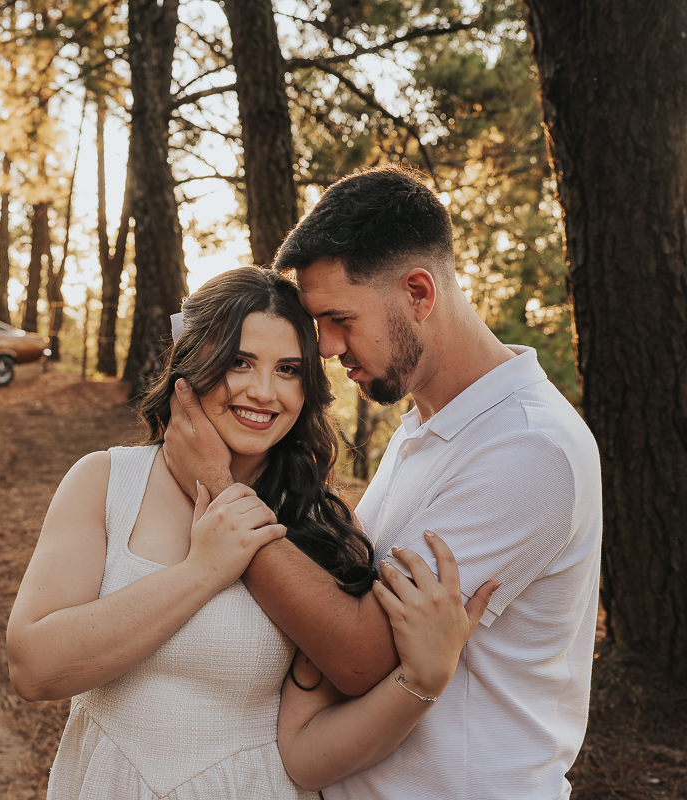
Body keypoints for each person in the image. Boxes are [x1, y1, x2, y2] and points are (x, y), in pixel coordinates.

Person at [165, 166, 602, 799]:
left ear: (419, 293)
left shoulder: (528, 449)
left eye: (339, 318)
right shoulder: (430, 422)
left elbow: (361, 653)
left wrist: (218, 487)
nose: (325, 347)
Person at [7, 267, 495, 799]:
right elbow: (33, 668)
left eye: (288, 369)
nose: (263, 393)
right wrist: (202, 572)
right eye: (239, 362)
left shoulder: (322, 526)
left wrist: (420, 682)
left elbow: (306, 758)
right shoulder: (105, 481)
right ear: (192, 362)